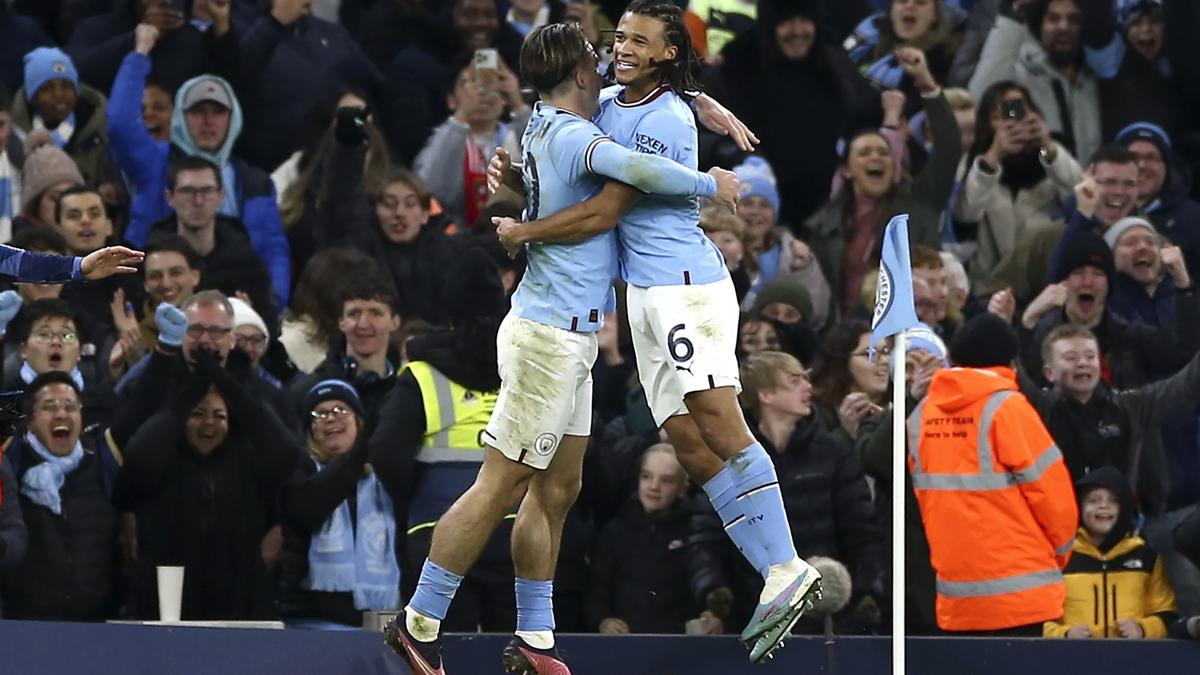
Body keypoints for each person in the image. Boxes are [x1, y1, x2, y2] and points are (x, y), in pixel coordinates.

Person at [389, 22, 738, 673]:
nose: (607, 64)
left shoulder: (550, 125)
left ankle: (535, 637)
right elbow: (631, 176)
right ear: (580, 74)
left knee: (557, 487)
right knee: (500, 482)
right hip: (547, 337)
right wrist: (708, 183)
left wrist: (697, 102)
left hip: (571, 334)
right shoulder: (576, 133)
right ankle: (419, 619)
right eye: (595, 58)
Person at [493, 2, 817, 663]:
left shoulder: (662, 117)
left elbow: (613, 201)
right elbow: (613, 107)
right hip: (646, 294)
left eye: (642, 39)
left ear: (670, 53)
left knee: (718, 420)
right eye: (621, 36)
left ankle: (786, 565)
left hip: (682, 288)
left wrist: (527, 224)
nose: (625, 47)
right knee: (690, 447)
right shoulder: (621, 97)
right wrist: (706, 100)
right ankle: (776, 575)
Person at [906, 313, 1078, 635]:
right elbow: (1054, 498)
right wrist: (1059, 555)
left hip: (957, 597)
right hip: (1022, 593)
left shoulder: (920, 417)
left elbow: (925, 501)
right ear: (1011, 362)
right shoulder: (1008, 408)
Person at [107, 23, 290, 309]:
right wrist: (139, 55)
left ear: (233, 118)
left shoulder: (255, 181)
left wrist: (270, 307)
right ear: (180, 115)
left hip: (236, 306)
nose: (208, 121)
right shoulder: (155, 163)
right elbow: (119, 123)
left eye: (218, 111)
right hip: (159, 300)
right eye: (198, 111)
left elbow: (274, 252)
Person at [118, 337, 298, 620]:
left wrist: (223, 380)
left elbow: (286, 452)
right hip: (168, 603)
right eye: (197, 414)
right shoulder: (165, 458)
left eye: (219, 416)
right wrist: (194, 388)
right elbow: (138, 455)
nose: (209, 423)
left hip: (238, 602)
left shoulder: (247, 462)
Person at [740, 351, 884, 634]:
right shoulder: (737, 459)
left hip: (829, 615)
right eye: (795, 381)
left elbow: (861, 531)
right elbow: (712, 533)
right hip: (756, 615)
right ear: (766, 395)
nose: (808, 387)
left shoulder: (832, 452)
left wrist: (868, 590)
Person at [279, 380, 400, 628]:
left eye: (340, 410)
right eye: (320, 414)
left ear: (359, 421)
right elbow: (307, 508)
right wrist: (359, 453)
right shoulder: (300, 468)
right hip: (312, 620)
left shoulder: (385, 477)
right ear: (310, 430)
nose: (330, 419)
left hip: (380, 620)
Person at [0, 371, 119, 620]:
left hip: (95, 626)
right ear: (30, 421)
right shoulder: (13, 463)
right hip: (25, 625)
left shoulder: (102, 465)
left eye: (70, 406)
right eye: (50, 406)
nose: (62, 414)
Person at [586, 443, 727, 635]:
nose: (653, 486)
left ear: (682, 488)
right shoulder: (615, 532)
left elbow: (707, 578)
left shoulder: (696, 533)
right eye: (646, 476)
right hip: (625, 645)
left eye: (666, 480)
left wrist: (712, 615)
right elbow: (597, 591)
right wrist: (603, 620)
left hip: (681, 647)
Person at [954, 80, 1083, 284]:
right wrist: (995, 154)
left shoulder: (1051, 152)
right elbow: (966, 213)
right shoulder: (975, 161)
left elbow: (1078, 197)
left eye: (1017, 112)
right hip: (990, 281)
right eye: (999, 117)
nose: (1010, 122)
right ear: (987, 124)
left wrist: (1046, 146)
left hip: (1044, 277)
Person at [1044, 467, 1177, 638]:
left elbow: (1166, 613)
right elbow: (1038, 617)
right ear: (1078, 506)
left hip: (1134, 658)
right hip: (1072, 657)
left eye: (1113, 500)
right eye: (1093, 500)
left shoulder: (1145, 556)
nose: (1103, 506)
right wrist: (1065, 634)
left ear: (1125, 507)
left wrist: (1142, 629)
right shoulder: (1060, 557)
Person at [147, 155, 277, 325]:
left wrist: (249, 323)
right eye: (187, 191)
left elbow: (269, 329)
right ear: (169, 197)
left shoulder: (246, 264)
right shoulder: (151, 262)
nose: (198, 201)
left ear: (221, 196)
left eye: (207, 191)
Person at [969, 0, 1101, 162]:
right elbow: (981, 99)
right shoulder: (1019, 78)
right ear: (1039, 24)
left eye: (1073, 20)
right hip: (1036, 182)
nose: (1063, 27)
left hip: (1090, 182)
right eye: (1053, 19)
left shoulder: (1094, 78)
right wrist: (1012, 18)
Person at [289, 275, 402, 426]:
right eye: (354, 313)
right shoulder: (305, 392)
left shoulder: (407, 394)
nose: (363, 324)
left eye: (375, 313)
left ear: (395, 322)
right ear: (341, 322)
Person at [9, 47, 116, 191]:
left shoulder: (101, 129)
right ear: (33, 98)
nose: (59, 94)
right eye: (47, 88)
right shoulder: (13, 136)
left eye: (66, 86)